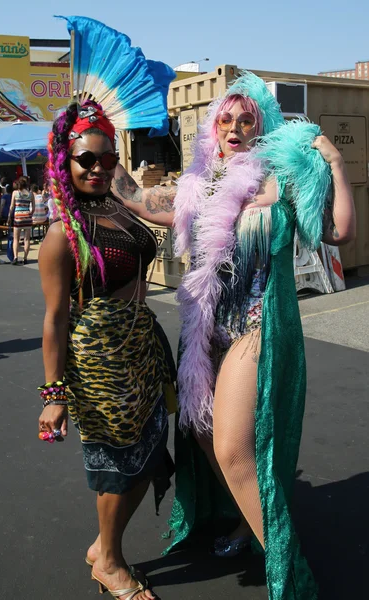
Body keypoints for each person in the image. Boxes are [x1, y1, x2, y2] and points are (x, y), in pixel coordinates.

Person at [116, 71, 356, 599]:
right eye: (225, 117)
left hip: (255, 326)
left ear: (259, 126)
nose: (235, 126)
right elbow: (136, 199)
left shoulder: (283, 179)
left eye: (246, 119)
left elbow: (339, 233)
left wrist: (335, 164)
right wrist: (94, 140)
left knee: (231, 449)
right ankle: (246, 522)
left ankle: (288, 571)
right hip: (206, 333)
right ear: (213, 127)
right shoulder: (196, 186)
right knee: (202, 434)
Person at [37, 101, 176, 600]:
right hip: (101, 361)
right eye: (86, 160)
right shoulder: (62, 234)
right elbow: (54, 319)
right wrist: (54, 394)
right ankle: (111, 563)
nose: (97, 168)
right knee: (116, 464)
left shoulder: (118, 207)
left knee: (151, 450)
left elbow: (170, 213)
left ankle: (105, 545)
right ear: (64, 164)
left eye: (106, 158)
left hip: (142, 347)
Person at [7, 176, 35, 265]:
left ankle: (15, 257)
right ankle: (25, 258)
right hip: (27, 217)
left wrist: (9, 217)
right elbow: (33, 208)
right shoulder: (31, 194)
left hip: (18, 217)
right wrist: (29, 214)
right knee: (27, 239)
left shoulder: (15, 193)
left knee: (16, 239)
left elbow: (11, 206)